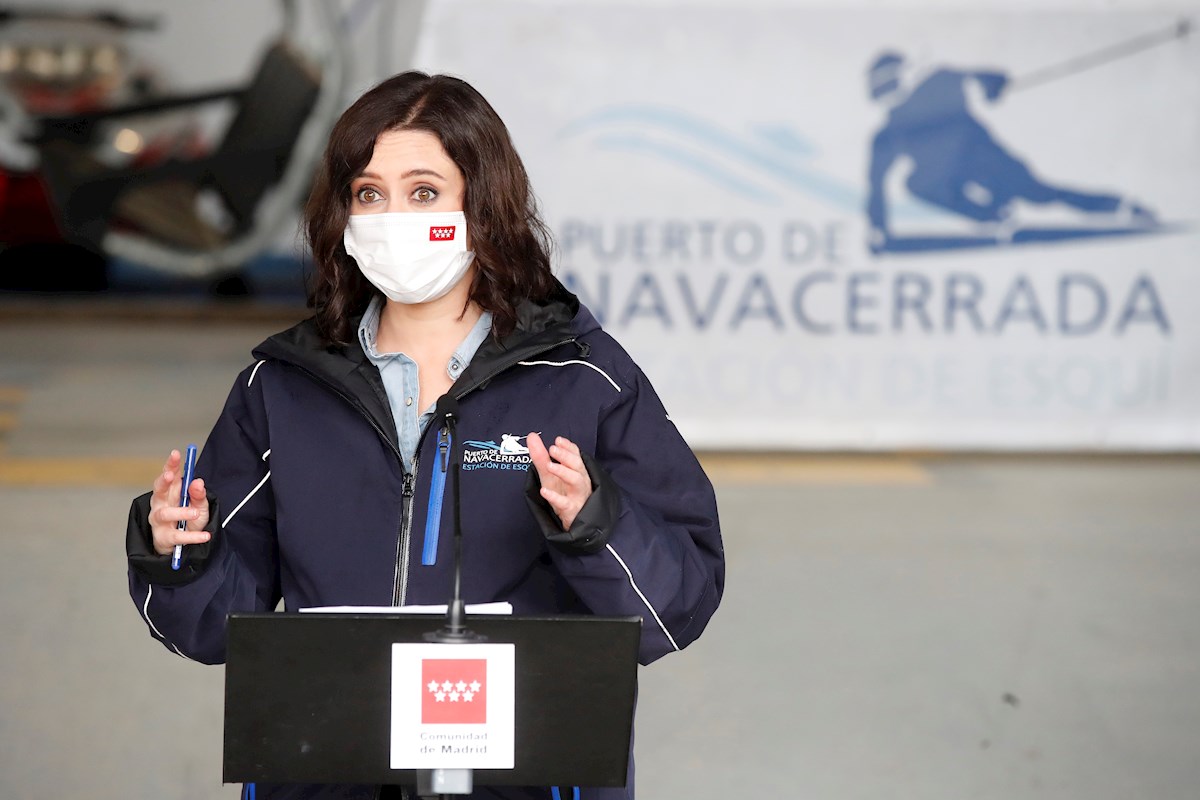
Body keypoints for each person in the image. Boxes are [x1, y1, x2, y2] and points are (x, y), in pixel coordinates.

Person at [124, 71, 725, 800]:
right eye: (369, 193)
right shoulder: (281, 388)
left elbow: (676, 607)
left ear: (484, 204)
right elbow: (213, 632)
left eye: (424, 192)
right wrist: (178, 554)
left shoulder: (584, 379)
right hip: (325, 775)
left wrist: (597, 526)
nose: (392, 216)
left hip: (528, 780)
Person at [865, 51, 1156, 252]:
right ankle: (990, 216)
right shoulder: (888, 134)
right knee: (916, 183)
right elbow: (875, 186)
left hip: (990, 164)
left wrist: (991, 86)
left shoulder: (940, 82)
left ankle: (1118, 206)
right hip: (952, 178)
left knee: (1040, 194)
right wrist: (878, 228)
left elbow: (988, 76)